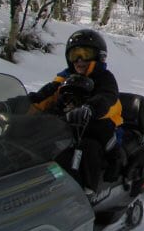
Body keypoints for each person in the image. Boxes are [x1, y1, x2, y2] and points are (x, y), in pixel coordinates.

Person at [28, 29, 123, 192]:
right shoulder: (64, 77)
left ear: (98, 56)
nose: (79, 60)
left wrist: (90, 108)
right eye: (74, 55)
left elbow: (108, 98)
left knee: (89, 144)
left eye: (85, 53)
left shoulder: (104, 78)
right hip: (68, 125)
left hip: (100, 128)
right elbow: (43, 97)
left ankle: (89, 190)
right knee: (33, 134)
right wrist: (13, 104)